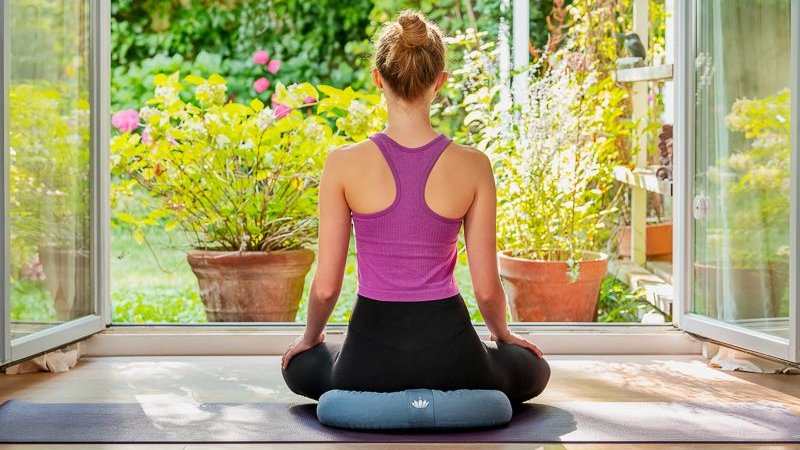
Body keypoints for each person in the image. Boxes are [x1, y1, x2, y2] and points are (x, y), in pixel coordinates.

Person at [280, 9, 550, 406]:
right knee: (532, 369)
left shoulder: (342, 163)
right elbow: (488, 291)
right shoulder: (474, 165)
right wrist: (504, 336)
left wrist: (309, 339)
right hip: (453, 356)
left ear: (378, 78)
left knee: (300, 367)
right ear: (440, 82)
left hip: (367, 361)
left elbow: (325, 289)